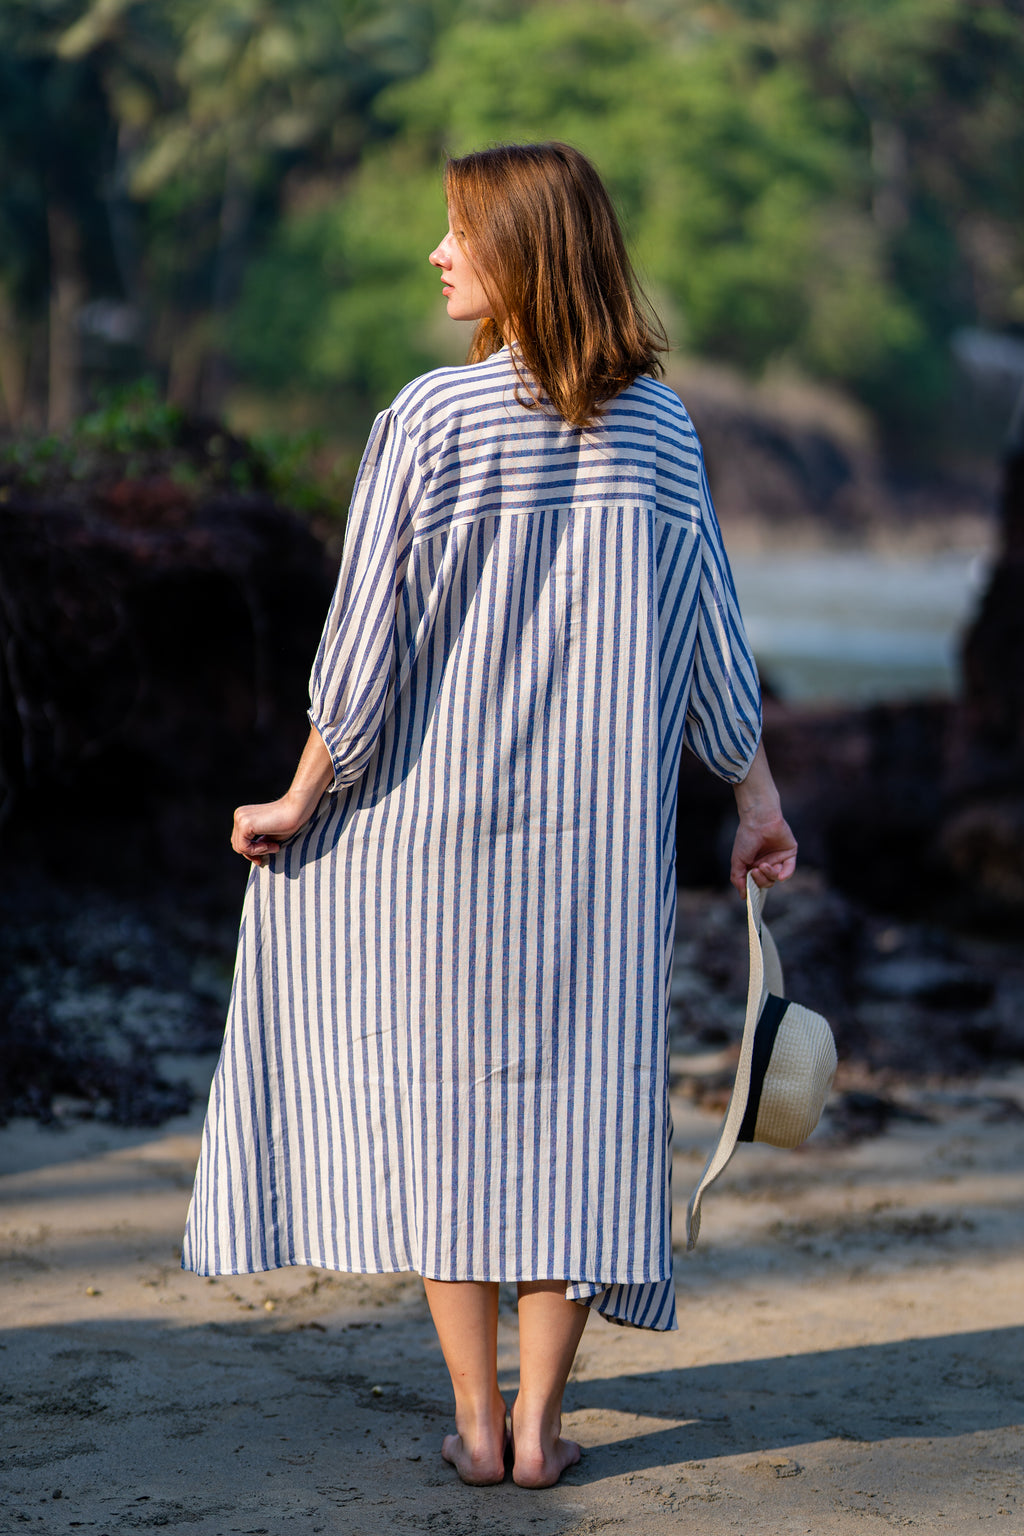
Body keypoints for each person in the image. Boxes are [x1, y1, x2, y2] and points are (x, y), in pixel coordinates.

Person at [181, 141, 797, 1490]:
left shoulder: (429, 422)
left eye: (459, 233)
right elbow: (708, 635)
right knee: (580, 1116)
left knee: (455, 1127)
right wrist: (752, 794)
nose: (437, 255)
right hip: (597, 863)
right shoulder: (661, 429)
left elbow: (362, 658)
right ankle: (537, 1431)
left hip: (434, 859)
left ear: (523, 254)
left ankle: (471, 1421)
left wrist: (296, 797)